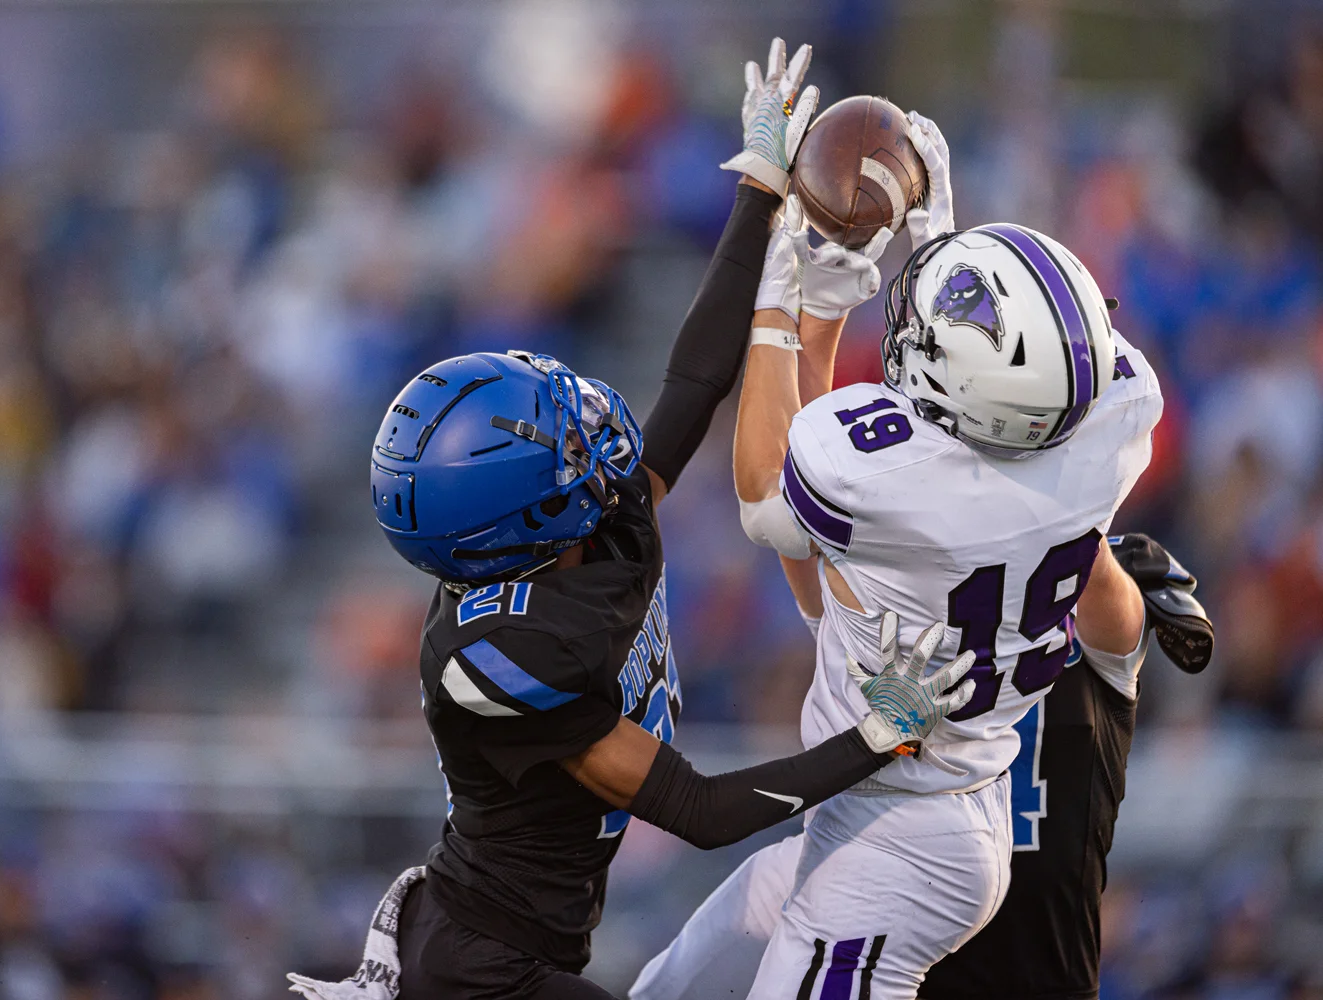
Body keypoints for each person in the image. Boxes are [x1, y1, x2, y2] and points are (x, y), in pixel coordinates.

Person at [287, 41, 976, 1000]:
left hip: (523, 939)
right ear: (518, 522)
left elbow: (691, 387)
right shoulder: (502, 657)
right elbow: (697, 808)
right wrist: (877, 736)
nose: (583, 430)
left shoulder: (576, 531)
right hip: (481, 971)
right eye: (552, 440)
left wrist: (760, 194)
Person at [695, 109, 1162, 999]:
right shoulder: (1107, 435)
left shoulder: (901, 501)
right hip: (947, 811)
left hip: (904, 834)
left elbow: (769, 498)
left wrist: (783, 301)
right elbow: (999, 404)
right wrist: (936, 250)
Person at [629, 534, 1213, 1000]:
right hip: (916, 943)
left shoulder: (1092, 659)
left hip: (1001, 961)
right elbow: (796, 537)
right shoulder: (917, 646)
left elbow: (1095, 578)